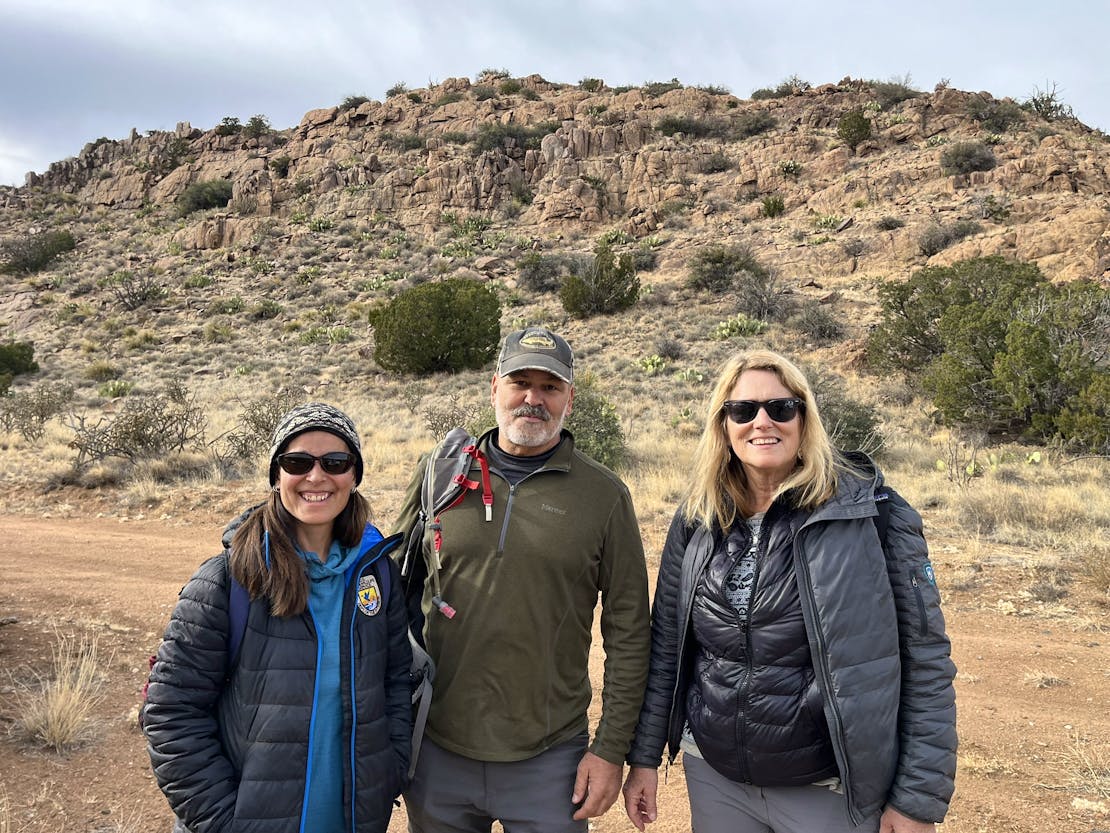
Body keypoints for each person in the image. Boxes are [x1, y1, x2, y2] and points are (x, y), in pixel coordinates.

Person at [622, 349, 957, 833]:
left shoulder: (871, 513)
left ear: (804, 417)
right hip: (716, 780)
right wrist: (645, 756)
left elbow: (925, 659)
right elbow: (669, 647)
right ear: (723, 424)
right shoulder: (698, 517)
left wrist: (918, 800)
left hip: (828, 788)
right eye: (742, 410)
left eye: (780, 408)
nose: (762, 422)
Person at [393, 327, 651, 833]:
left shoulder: (604, 496)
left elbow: (629, 633)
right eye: (519, 382)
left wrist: (610, 748)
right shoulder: (438, 474)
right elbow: (393, 593)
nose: (533, 399)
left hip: (550, 759)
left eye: (550, 386)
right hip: (437, 752)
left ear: (569, 399)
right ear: (494, 388)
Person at [143, 402, 413, 833]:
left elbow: (396, 680)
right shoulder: (227, 581)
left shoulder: (377, 573)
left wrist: (390, 768)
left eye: (336, 462)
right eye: (297, 462)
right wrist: (223, 820)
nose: (317, 476)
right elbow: (171, 711)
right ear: (276, 475)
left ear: (354, 475)